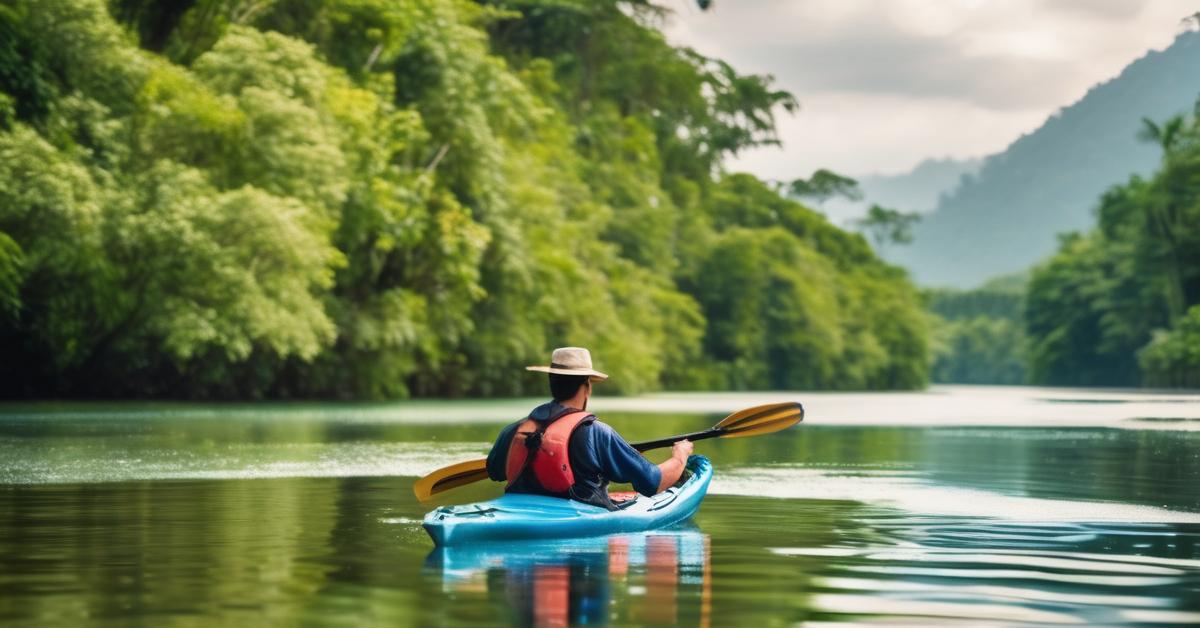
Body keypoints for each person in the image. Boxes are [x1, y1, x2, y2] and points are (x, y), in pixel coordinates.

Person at [485, 347, 693, 509]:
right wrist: (680, 456)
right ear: (587, 387)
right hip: (579, 522)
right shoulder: (598, 433)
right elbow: (652, 483)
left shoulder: (515, 430)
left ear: (551, 382)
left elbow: (494, 471)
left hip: (515, 513)